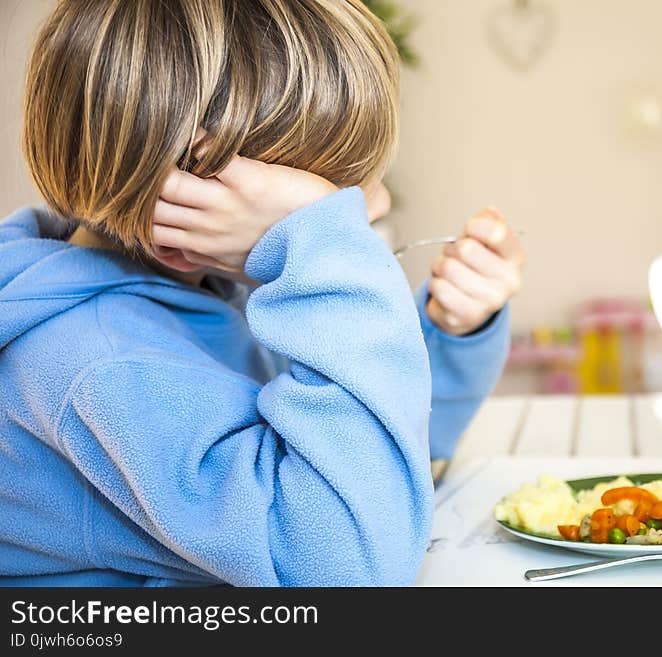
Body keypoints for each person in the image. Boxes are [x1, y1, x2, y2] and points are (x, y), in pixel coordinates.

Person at [0, 0, 524, 586]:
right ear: (197, 192)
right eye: (318, 206)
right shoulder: (106, 365)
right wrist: (328, 254)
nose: (371, 207)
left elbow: (382, 468)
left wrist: (449, 333)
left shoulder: (212, 295)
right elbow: (347, 574)